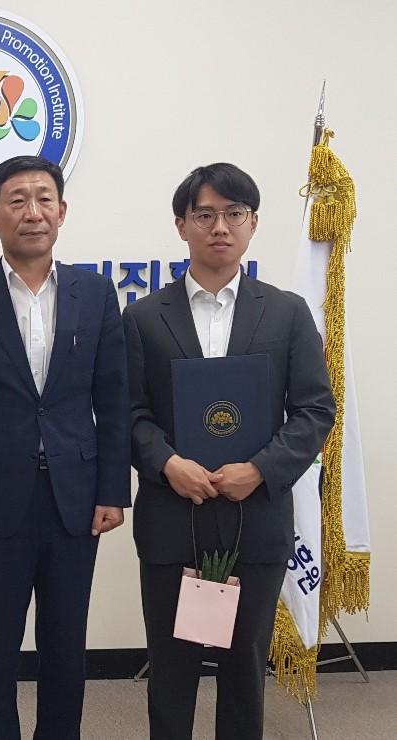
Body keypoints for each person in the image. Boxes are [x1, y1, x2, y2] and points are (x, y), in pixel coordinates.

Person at [122, 163, 336, 740]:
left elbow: (315, 410)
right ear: (181, 225)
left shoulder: (288, 313)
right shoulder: (142, 317)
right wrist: (168, 463)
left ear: (253, 223)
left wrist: (261, 469)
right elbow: (128, 413)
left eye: (234, 213)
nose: (220, 226)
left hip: (256, 516)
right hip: (174, 516)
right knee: (171, 669)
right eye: (205, 214)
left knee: (245, 670)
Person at [0, 155, 131, 739]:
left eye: (44, 199)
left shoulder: (96, 294)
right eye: (17, 201)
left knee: (66, 642)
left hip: (75, 497)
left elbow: (113, 400)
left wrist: (113, 491)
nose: (33, 212)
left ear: (62, 212)